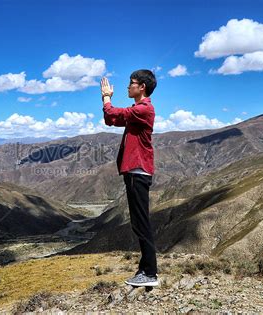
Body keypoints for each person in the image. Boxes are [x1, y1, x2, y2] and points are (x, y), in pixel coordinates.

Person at [100, 69, 158, 287]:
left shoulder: (144, 109)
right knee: (138, 222)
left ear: (141, 86)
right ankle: (145, 270)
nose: (128, 86)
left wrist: (106, 98)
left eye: (131, 83)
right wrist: (107, 104)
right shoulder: (137, 111)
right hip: (134, 171)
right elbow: (110, 119)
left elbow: (113, 113)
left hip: (137, 171)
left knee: (141, 223)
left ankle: (150, 273)